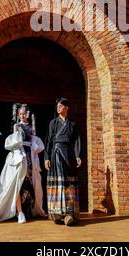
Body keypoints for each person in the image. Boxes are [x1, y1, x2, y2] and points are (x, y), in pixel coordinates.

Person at [44, 97, 81, 226]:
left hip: (69, 155)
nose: (58, 108)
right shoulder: (53, 123)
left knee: (69, 183)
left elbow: (76, 141)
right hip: (56, 154)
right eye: (57, 106)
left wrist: (78, 155)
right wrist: (47, 157)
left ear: (66, 108)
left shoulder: (72, 124)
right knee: (58, 183)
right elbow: (48, 141)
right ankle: (57, 214)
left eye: (61, 106)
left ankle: (70, 214)